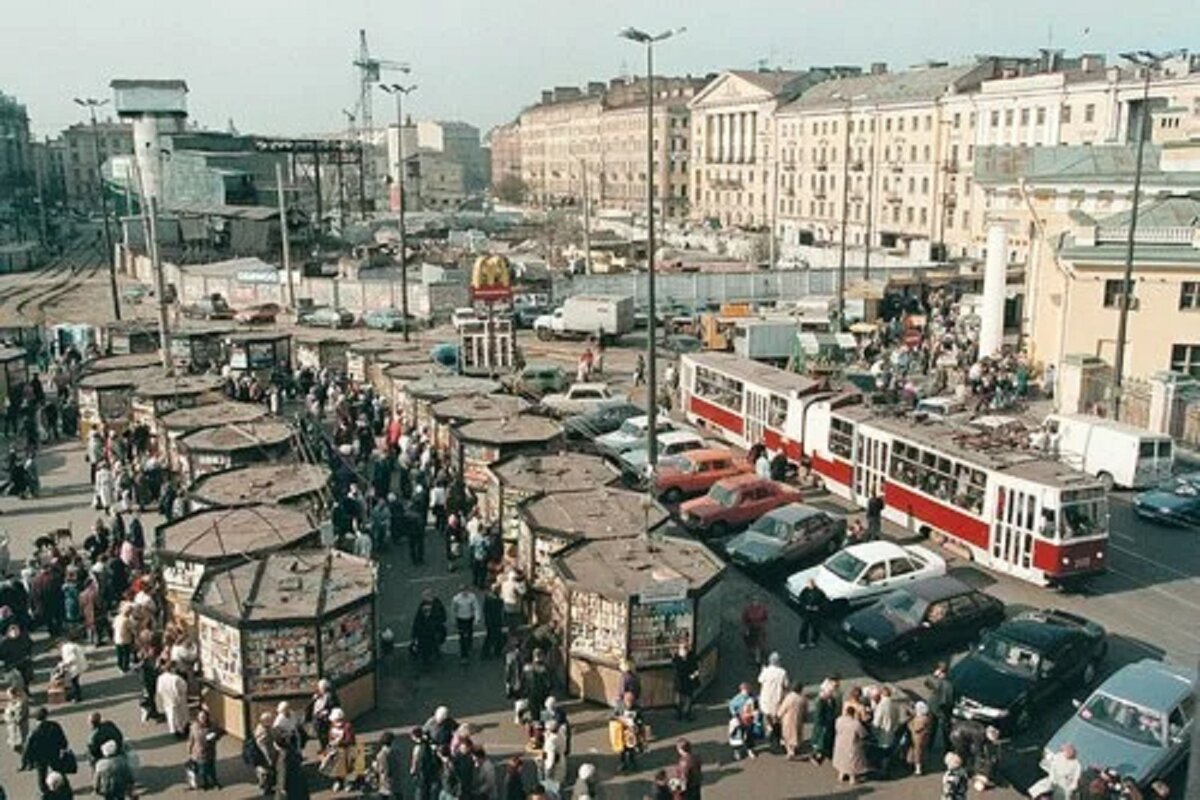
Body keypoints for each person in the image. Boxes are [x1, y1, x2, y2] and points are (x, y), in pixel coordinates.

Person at [26, 707, 68, 793]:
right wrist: (63, 748)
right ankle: (63, 787)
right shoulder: (54, 725)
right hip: (54, 754)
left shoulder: (34, 731)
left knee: (41, 776)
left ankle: (45, 792)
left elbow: (28, 747)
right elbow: (62, 740)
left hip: (40, 758)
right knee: (59, 771)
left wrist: (28, 761)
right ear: (46, 716)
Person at [832, 705, 869, 784]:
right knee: (852, 762)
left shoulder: (839, 720)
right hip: (852, 744)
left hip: (840, 743)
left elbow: (836, 729)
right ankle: (853, 779)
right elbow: (863, 734)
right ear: (853, 713)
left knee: (842, 759)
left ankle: (841, 775)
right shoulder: (856, 724)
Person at [187, 708, 221, 790]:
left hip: (210, 752)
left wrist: (214, 736)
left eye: (205, 716)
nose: (203, 719)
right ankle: (205, 783)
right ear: (198, 718)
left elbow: (218, 735)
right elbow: (191, 739)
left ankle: (214, 781)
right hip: (199, 753)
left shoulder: (212, 726)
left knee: (212, 768)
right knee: (203, 770)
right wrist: (189, 750)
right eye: (201, 717)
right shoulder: (194, 727)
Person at [926, 662, 955, 754]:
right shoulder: (949, 684)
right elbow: (949, 700)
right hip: (944, 710)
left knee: (931, 728)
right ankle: (948, 749)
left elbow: (927, 682)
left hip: (933, 707)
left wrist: (934, 676)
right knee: (946, 730)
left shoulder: (937, 681)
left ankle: (928, 746)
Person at [611, 691, 645, 772]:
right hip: (622, 732)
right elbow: (613, 717)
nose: (630, 704)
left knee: (631, 749)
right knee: (622, 749)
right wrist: (620, 718)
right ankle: (622, 763)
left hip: (632, 733)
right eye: (628, 701)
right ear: (624, 700)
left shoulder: (637, 708)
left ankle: (632, 762)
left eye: (631, 701)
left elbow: (641, 719)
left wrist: (638, 724)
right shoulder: (620, 707)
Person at [810, 680, 838, 764]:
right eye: (831, 692)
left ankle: (824, 754)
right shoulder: (821, 701)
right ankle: (815, 756)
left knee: (825, 741)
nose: (832, 693)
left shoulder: (831, 700)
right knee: (820, 742)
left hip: (829, 724)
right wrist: (822, 725)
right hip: (823, 725)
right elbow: (818, 715)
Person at [307, 678, 340, 750]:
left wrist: (326, 712)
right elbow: (311, 705)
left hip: (325, 719)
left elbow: (334, 706)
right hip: (317, 718)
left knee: (325, 734)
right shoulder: (317, 695)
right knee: (320, 734)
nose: (320, 689)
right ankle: (323, 747)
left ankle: (326, 748)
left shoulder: (330, 696)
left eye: (321, 688)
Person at [777, 681, 807, 760]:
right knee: (796, 734)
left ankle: (790, 752)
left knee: (787, 735)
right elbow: (805, 710)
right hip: (798, 719)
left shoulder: (789, 698)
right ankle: (795, 748)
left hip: (788, 719)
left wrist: (779, 714)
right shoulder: (802, 698)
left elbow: (782, 710)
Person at [409, 726, 441, 800]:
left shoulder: (417, 748)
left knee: (421, 790)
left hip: (421, 771)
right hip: (431, 769)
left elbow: (415, 760)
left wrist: (413, 770)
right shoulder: (428, 742)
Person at [451, 585, 481, 662]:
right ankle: (464, 654)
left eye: (465, 590)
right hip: (460, 619)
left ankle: (469, 646)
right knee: (462, 636)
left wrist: (477, 618)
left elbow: (476, 607)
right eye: (462, 590)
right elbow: (453, 610)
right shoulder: (456, 599)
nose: (464, 592)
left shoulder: (472, 597)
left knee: (470, 633)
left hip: (469, 618)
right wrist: (454, 620)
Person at [251, 712, 278, 796]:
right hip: (265, 756)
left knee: (263, 772)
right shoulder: (264, 732)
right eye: (270, 720)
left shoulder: (261, 728)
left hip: (263, 755)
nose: (272, 722)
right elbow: (264, 747)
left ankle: (264, 786)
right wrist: (269, 759)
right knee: (267, 772)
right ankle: (267, 789)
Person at [156, 668, 189, 737]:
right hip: (178, 699)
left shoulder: (160, 678)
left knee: (171, 715)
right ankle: (182, 730)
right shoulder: (176, 678)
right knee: (181, 715)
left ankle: (174, 730)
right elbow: (184, 687)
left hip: (167, 699)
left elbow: (159, 690)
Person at [671, 642, 699, 721]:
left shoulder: (691, 657)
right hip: (680, 682)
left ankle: (686, 714)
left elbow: (696, 668)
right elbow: (677, 670)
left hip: (689, 682)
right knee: (679, 699)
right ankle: (679, 714)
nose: (684, 650)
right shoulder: (677, 659)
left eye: (685, 648)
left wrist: (693, 675)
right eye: (683, 648)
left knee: (688, 699)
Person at [796, 578, 827, 649]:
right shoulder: (805, 591)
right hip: (807, 612)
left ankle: (814, 641)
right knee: (804, 626)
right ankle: (802, 642)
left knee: (815, 627)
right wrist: (805, 606)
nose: (808, 585)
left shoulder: (820, 593)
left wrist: (818, 607)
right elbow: (801, 599)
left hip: (816, 614)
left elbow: (824, 603)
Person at [373, 731, 404, 799]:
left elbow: (382, 769)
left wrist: (375, 767)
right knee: (398, 795)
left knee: (385, 796)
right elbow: (399, 764)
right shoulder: (396, 751)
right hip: (396, 779)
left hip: (386, 780)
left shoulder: (381, 754)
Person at [541, 719, 567, 794]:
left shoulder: (551, 741)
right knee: (559, 784)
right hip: (561, 760)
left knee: (552, 789)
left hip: (555, 765)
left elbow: (551, 757)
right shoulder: (561, 733)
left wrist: (548, 769)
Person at [907, 701, 933, 776]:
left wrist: (909, 724)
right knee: (922, 753)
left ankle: (918, 770)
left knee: (918, 754)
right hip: (924, 739)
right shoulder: (927, 717)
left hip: (918, 739)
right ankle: (921, 767)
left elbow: (915, 729)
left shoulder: (920, 719)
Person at [741, 596, 768, 665]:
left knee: (758, 643)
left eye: (757, 601)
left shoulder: (762, 609)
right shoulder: (748, 610)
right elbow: (744, 619)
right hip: (751, 628)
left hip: (759, 629)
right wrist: (746, 628)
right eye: (754, 601)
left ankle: (758, 659)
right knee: (750, 642)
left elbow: (765, 618)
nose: (756, 603)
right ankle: (752, 652)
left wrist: (763, 626)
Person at [482, 583, 505, 659]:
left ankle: (493, 652)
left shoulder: (489, 598)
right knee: (492, 637)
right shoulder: (493, 599)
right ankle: (488, 653)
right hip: (493, 621)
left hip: (494, 621)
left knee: (495, 637)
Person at [4, 685, 28, 754]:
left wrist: (10, 718)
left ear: (14, 694)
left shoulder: (21, 702)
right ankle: (17, 745)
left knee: (21, 737)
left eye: (9, 696)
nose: (9, 698)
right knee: (16, 736)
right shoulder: (15, 700)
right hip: (15, 725)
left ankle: (22, 750)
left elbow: (19, 717)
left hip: (19, 725)